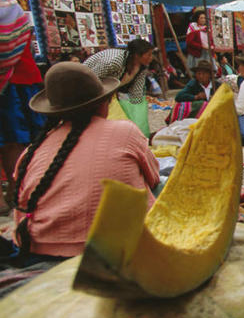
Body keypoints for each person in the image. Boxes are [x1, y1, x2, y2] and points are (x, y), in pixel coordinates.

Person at [11, 62, 158, 260]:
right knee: (161, 185)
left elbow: (20, 209)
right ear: (102, 102)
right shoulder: (125, 132)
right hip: (115, 248)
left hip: (39, 248)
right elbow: (153, 178)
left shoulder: (32, 152)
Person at [1, 0, 45, 204]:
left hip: (14, 83)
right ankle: (19, 189)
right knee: (19, 139)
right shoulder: (11, 6)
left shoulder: (7, 6)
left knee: (13, 139)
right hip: (21, 80)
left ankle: (18, 190)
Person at [84, 38, 154, 104]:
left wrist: (137, 107)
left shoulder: (142, 66)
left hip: (107, 89)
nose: (151, 58)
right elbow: (93, 81)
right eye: (149, 55)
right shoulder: (114, 62)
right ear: (136, 55)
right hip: (86, 84)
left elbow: (137, 90)